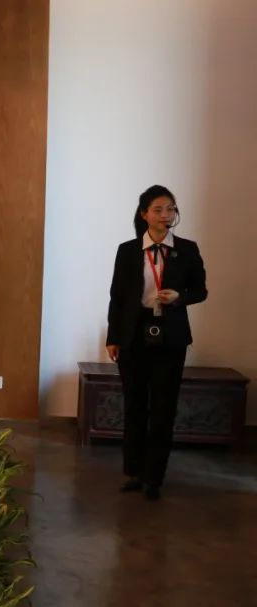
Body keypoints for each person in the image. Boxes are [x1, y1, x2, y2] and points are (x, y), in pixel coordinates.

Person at [106, 185, 207, 501]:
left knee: (163, 407)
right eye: (159, 209)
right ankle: (134, 472)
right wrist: (113, 337)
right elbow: (117, 297)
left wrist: (179, 297)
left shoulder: (187, 249)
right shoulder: (128, 250)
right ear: (144, 214)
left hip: (171, 336)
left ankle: (154, 477)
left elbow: (200, 291)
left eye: (171, 209)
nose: (166, 215)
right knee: (135, 405)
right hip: (133, 335)